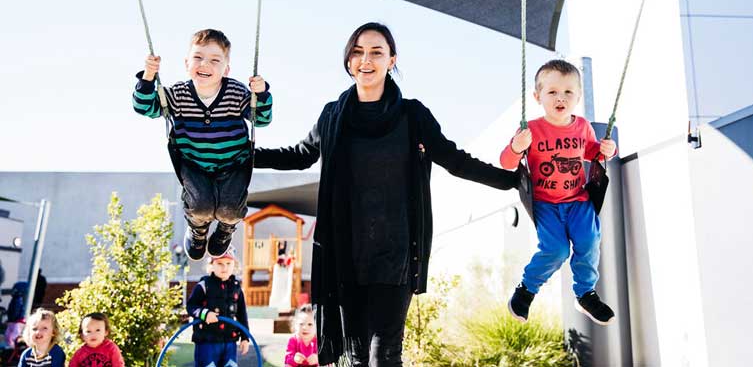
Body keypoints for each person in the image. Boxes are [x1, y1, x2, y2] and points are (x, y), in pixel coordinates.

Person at [254, 22, 517, 366]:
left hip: (395, 255)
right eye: (358, 52)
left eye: (377, 52)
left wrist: (510, 180)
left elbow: (454, 159)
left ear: (392, 60)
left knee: (384, 355)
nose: (366, 59)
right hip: (345, 255)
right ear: (349, 61)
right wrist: (246, 154)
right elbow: (300, 155)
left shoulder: (412, 115)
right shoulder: (333, 115)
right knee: (357, 357)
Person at [132, 29, 273, 260]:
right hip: (193, 163)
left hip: (233, 163)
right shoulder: (178, 94)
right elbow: (144, 107)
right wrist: (148, 76)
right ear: (187, 63)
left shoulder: (236, 92)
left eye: (215, 60)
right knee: (200, 207)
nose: (205, 64)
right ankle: (198, 232)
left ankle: (225, 231)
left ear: (226, 69)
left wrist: (262, 93)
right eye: (198, 57)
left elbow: (262, 119)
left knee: (230, 211)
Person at [500, 59, 617, 325]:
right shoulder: (530, 130)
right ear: (537, 96)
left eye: (568, 92)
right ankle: (526, 290)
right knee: (556, 250)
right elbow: (507, 164)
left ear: (577, 97)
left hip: (579, 200)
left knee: (589, 242)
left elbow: (594, 152)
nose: (560, 98)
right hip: (545, 203)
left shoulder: (582, 126)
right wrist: (517, 147)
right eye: (552, 92)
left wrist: (608, 150)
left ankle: (586, 293)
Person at [186, 247, 250, 367]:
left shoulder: (236, 288)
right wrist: (204, 314)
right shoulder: (204, 286)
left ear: (234, 265)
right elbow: (191, 306)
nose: (224, 267)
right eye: (219, 263)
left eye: (228, 263)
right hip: (207, 341)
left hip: (229, 341)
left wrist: (245, 337)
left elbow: (242, 314)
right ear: (211, 265)